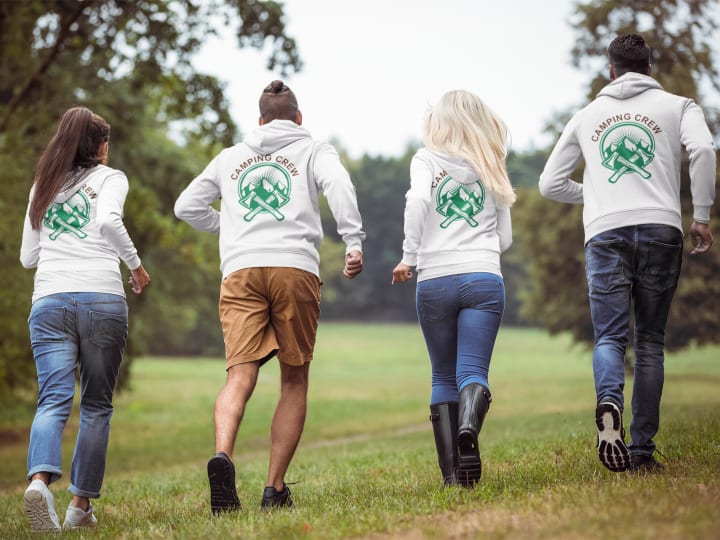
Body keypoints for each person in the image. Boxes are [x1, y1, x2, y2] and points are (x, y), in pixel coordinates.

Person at [174, 80, 365, 513]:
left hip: (241, 271)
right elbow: (339, 187)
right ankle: (273, 489)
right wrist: (353, 241)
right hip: (294, 267)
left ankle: (223, 454)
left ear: (258, 122)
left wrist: (232, 227)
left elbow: (186, 206)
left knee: (238, 377)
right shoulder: (316, 149)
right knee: (294, 379)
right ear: (299, 119)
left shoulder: (230, 157)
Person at [539, 33, 716, 472]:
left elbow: (549, 184)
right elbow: (704, 151)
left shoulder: (587, 116)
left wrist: (598, 194)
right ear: (649, 69)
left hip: (605, 233)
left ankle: (608, 403)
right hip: (661, 228)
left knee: (609, 338)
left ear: (611, 70)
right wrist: (702, 214)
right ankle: (641, 452)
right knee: (651, 341)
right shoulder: (679, 107)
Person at [19, 107, 151, 532]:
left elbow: (28, 258)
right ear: (99, 146)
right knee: (96, 405)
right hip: (101, 298)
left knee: (53, 399)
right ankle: (79, 507)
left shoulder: (43, 184)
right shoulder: (111, 179)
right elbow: (109, 221)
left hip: (50, 300)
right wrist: (136, 266)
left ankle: (39, 483)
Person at [392, 90, 514, 487]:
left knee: (442, 375)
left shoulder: (425, 159)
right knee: (473, 371)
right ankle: (468, 428)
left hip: (435, 279)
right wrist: (477, 254)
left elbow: (417, 203)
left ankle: (453, 478)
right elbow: (505, 238)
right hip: (484, 276)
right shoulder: (492, 162)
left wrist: (410, 256)